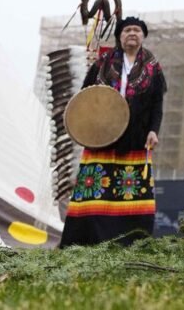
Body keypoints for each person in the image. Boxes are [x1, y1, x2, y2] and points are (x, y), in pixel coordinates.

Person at [59, 16, 167, 247]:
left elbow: (157, 104)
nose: (132, 33)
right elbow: (85, 96)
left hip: (136, 138)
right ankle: (86, 241)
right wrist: (86, 126)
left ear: (143, 36)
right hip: (102, 137)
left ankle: (132, 242)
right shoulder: (104, 62)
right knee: (94, 188)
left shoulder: (152, 66)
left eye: (137, 30)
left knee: (131, 191)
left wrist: (153, 131)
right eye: (127, 30)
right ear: (119, 35)